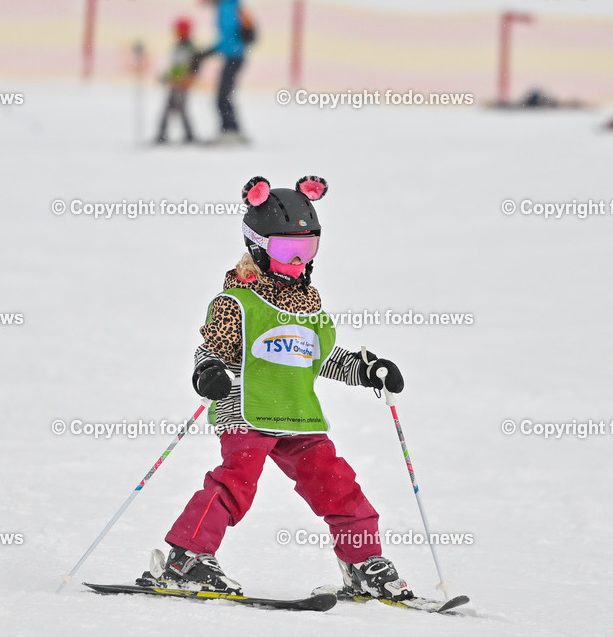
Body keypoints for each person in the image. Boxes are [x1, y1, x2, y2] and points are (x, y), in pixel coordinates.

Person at [142, 175, 414, 602]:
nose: (299, 260)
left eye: (309, 248)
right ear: (258, 247)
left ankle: (364, 563)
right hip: (246, 412)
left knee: (338, 486)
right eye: (288, 250)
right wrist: (208, 371)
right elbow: (210, 349)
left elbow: (322, 357)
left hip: (298, 416)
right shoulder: (238, 303)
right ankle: (186, 558)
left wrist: (367, 370)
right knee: (235, 484)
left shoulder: (309, 306)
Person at [190, 0, 254, 144]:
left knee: (222, 96)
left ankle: (230, 130)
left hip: (234, 56)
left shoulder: (226, 8)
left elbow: (228, 38)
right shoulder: (230, 5)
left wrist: (209, 51)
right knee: (224, 95)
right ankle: (230, 129)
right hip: (234, 56)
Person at [155, 17, 198, 144]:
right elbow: (176, 67)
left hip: (182, 84)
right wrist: (167, 77)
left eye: (179, 30)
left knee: (180, 109)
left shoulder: (188, 47)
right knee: (170, 109)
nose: (176, 32)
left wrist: (188, 78)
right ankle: (163, 135)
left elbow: (191, 66)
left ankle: (189, 136)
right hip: (175, 83)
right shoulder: (178, 46)